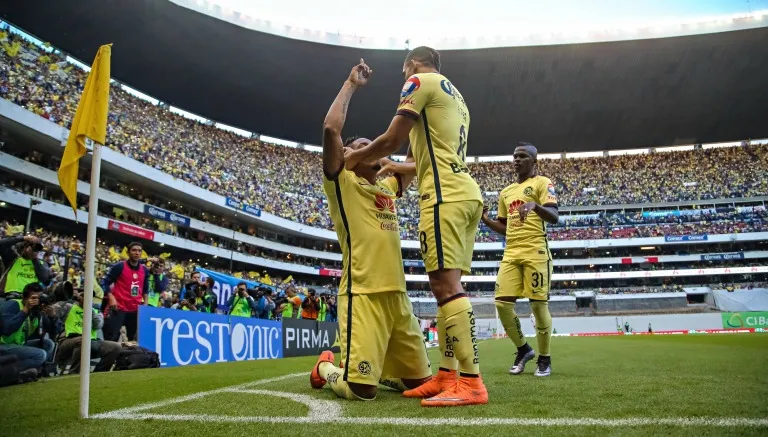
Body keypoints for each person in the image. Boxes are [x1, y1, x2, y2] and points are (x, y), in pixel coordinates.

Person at [344, 47, 487, 406]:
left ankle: (470, 382)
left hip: (443, 196)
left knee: (446, 284)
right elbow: (420, 160)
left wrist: (355, 157)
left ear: (411, 63)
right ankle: (447, 375)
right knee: (445, 285)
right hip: (464, 191)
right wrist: (393, 166)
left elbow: (393, 138)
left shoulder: (418, 80)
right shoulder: (457, 96)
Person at [310, 59, 432, 402]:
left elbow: (415, 162)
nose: (369, 149)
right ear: (348, 155)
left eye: (371, 146)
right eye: (360, 145)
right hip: (362, 294)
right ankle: (325, 368)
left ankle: (388, 373)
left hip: (397, 295)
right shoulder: (341, 184)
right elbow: (331, 129)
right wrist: (351, 84)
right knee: (360, 390)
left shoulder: (387, 187)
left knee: (420, 386)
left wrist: (418, 107)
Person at [481, 142, 559, 377]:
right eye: (515, 156)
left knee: (537, 305)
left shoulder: (542, 183)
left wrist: (535, 205)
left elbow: (554, 216)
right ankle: (523, 349)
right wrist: (484, 218)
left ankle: (545, 359)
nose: (517, 160)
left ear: (534, 162)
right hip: (511, 253)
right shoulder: (505, 193)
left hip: (535, 251)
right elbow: (504, 228)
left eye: (523, 156)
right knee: (502, 304)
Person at [55, 290, 121, 373]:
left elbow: (98, 325)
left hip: (90, 341)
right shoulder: (68, 307)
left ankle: (99, 372)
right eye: (83, 295)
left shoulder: (96, 311)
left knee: (115, 347)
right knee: (83, 340)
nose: (86, 298)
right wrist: (69, 298)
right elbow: (54, 312)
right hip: (67, 340)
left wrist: (88, 308)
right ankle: (75, 372)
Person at [0, 283, 56, 373]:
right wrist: (25, 310)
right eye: (34, 298)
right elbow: (7, 329)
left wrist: (52, 317)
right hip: (3, 346)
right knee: (40, 355)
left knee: (48, 344)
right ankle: (10, 372)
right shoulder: (13, 304)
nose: (37, 302)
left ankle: (27, 371)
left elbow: (53, 334)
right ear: (25, 298)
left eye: (39, 298)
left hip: (19, 346)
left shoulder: (37, 312)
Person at [101, 242, 151, 342]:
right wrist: (111, 297)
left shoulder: (144, 270)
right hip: (118, 308)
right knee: (111, 340)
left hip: (135, 310)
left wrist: (145, 304)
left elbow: (145, 289)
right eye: (134, 250)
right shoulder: (119, 266)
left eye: (139, 251)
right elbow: (105, 283)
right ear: (128, 253)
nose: (137, 253)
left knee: (132, 341)